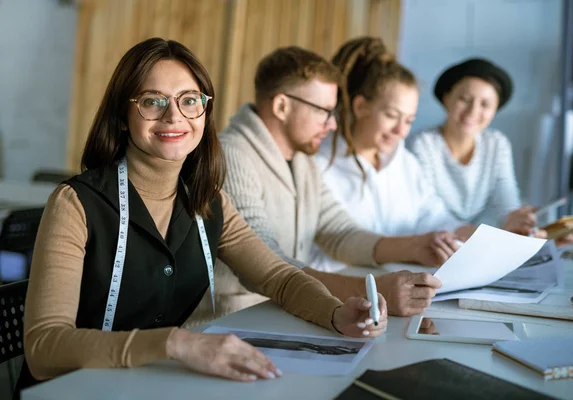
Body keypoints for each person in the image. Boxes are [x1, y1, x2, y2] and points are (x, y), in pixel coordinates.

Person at [16, 38, 388, 394]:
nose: (174, 116)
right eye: (152, 101)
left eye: (190, 100)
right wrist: (176, 344)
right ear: (123, 115)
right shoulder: (75, 204)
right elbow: (44, 347)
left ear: (204, 111)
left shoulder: (207, 200)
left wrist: (336, 313)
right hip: (72, 391)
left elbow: (278, 277)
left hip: (150, 385)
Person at [188, 46, 442, 327]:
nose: (333, 124)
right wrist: (372, 289)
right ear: (282, 106)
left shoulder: (302, 160)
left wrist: (416, 247)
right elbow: (265, 261)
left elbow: (339, 232)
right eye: (324, 111)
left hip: (284, 312)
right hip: (229, 324)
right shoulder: (229, 156)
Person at [308, 37, 475, 273]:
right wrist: (407, 249)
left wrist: (476, 235)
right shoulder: (318, 165)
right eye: (391, 115)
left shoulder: (405, 163)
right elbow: (315, 256)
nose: (401, 130)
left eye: (408, 120)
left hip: (401, 289)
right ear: (360, 106)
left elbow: (434, 217)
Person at [407, 58, 573, 245]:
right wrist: (495, 234)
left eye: (485, 104)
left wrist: (540, 231)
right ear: (446, 98)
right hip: (428, 243)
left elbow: (507, 206)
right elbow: (428, 214)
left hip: (471, 243)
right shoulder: (422, 144)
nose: (473, 111)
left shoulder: (496, 144)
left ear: (495, 110)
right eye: (464, 99)